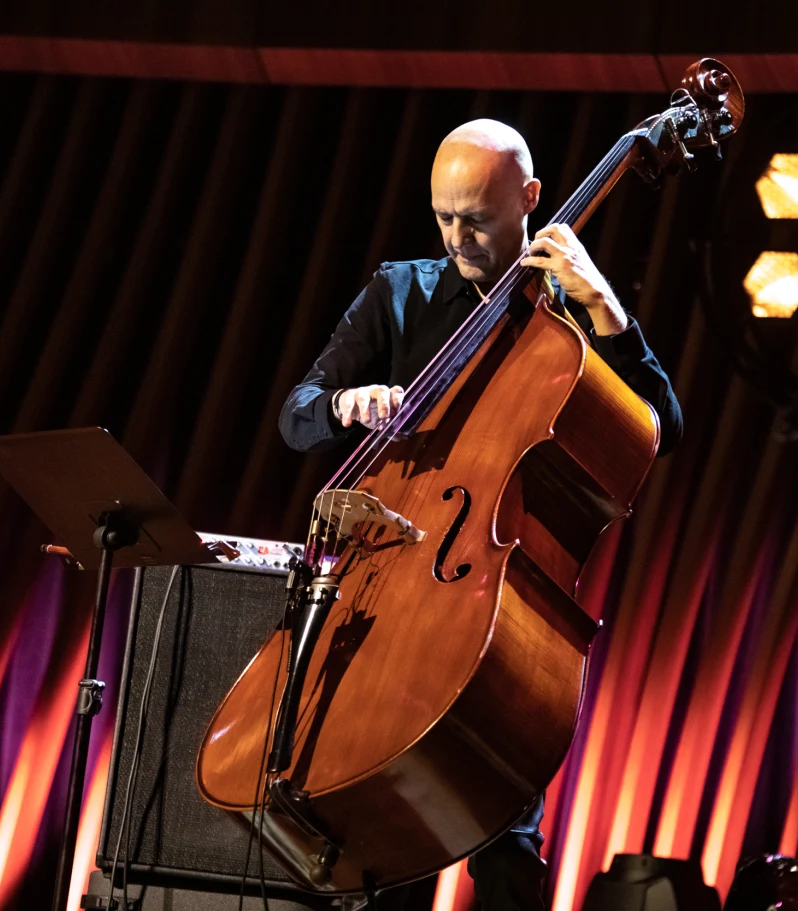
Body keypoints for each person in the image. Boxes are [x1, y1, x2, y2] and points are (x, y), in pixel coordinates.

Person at [277, 119, 683, 911]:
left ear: (529, 199)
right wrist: (341, 402)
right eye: (445, 217)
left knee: (504, 845)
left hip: (492, 611)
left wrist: (604, 307)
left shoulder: (571, 318)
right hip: (390, 581)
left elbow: (661, 424)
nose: (458, 237)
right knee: (379, 830)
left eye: (478, 219)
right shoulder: (400, 291)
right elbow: (295, 414)